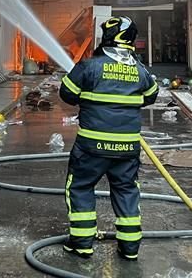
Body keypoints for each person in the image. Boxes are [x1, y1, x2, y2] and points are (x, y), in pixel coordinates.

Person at [58, 16, 158, 261]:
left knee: (81, 187)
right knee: (126, 190)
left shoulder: (89, 65)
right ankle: (130, 247)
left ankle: (82, 245)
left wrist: (91, 96)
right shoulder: (139, 69)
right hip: (127, 148)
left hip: (91, 148)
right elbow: (151, 95)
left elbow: (67, 94)